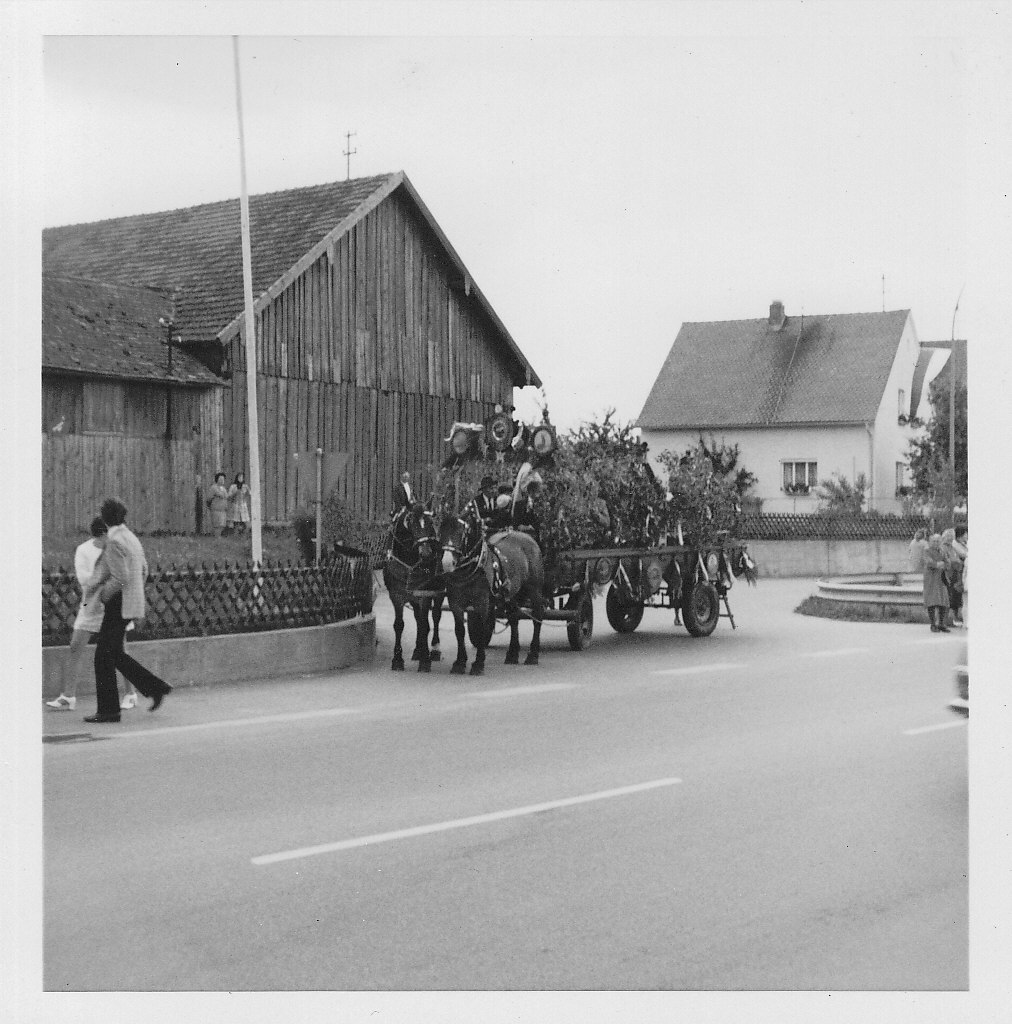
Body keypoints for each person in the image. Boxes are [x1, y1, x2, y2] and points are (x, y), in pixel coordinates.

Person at [84, 497, 173, 723]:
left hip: (117, 603)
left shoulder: (114, 540)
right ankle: (155, 687)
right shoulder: (130, 537)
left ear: (105, 517)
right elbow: (143, 569)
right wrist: (135, 592)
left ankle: (109, 710)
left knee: (103, 657)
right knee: (113, 654)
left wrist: (104, 594)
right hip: (130, 602)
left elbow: (120, 577)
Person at [46, 517, 139, 712]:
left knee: (119, 650)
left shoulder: (118, 547)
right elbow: (85, 578)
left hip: (114, 606)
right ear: (99, 535)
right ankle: (68, 696)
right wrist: (105, 580)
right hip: (91, 605)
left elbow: (125, 576)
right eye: (105, 536)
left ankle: (130, 694)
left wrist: (107, 582)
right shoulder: (83, 550)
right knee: (75, 646)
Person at [922, 533, 951, 633]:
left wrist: (941, 564)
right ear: (930, 542)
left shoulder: (942, 551)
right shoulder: (927, 551)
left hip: (941, 578)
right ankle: (933, 624)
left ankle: (941, 624)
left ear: (941, 542)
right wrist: (939, 564)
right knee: (932, 601)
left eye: (938, 541)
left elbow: (948, 563)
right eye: (934, 541)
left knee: (943, 601)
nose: (936, 543)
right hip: (931, 579)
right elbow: (929, 562)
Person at [941, 527, 965, 627]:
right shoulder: (943, 547)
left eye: (952, 536)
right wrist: (957, 562)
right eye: (949, 536)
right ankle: (946, 620)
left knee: (955, 597)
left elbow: (956, 559)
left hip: (955, 575)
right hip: (948, 575)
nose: (951, 538)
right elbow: (949, 561)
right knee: (949, 598)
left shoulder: (952, 547)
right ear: (944, 537)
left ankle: (955, 617)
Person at [207, 472, 229, 536]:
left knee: (222, 525)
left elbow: (226, 497)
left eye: (223, 479)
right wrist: (211, 506)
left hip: (223, 510)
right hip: (216, 509)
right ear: (217, 479)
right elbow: (209, 498)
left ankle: (218, 538)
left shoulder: (224, 488)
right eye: (220, 479)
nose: (222, 480)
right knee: (217, 525)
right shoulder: (213, 488)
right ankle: (217, 538)